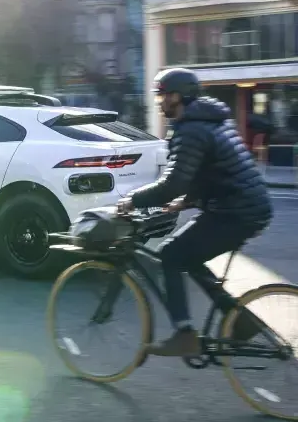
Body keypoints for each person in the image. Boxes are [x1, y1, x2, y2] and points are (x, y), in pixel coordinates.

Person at [116, 68, 273, 357]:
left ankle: (184, 334)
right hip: (245, 206)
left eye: (162, 96)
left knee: (171, 254)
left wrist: (133, 200)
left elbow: (174, 182)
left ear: (176, 96)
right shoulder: (211, 121)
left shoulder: (189, 129)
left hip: (236, 212)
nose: (160, 103)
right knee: (188, 256)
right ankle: (240, 321)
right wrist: (185, 202)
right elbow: (211, 172)